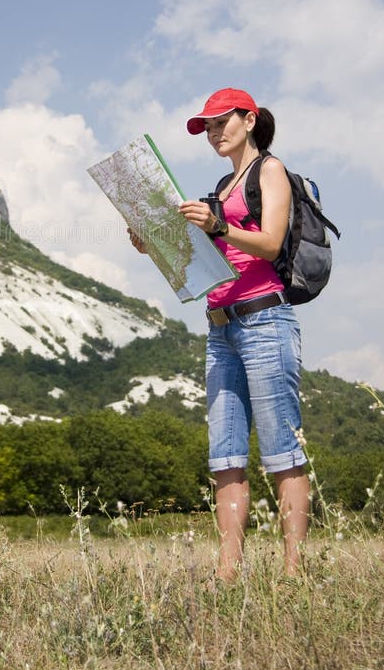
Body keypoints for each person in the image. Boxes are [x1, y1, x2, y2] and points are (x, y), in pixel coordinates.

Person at [129, 87, 309, 582]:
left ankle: (294, 574)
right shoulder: (220, 187)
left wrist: (219, 227)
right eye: (206, 127)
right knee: (225, 456)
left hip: (265, 321)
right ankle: (227, 577)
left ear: (248, 120)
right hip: (220, 329)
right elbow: (200, 263)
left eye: (220, 121)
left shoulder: (268, 171)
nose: (213, 132)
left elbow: (271, 243)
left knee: (280, 452)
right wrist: (153, 244)